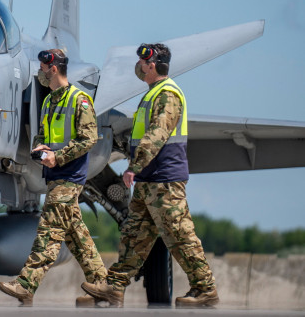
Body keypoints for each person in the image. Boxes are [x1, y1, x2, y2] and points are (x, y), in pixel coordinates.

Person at [81, 43, 219, 308]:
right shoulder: (153, 94)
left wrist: (134, 166)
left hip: (164, 180)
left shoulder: (168, 95)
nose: (139, 67)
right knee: (134, 235)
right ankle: (115, 287)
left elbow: (157, 135)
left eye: (142, 63)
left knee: (179, 234)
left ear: (151, 65)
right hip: (149, 181)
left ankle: (206, 289)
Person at [0, 49, 107, 307]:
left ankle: (25, 285)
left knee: (48, 233)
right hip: (54, 177)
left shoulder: (79, 100)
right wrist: (39, 148)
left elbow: (88, 138)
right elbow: (42, 136)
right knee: (76, 235)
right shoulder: (49, 101)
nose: (41, 73)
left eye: (44, 68)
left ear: (54, 69)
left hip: (69, 177)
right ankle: (105, 286)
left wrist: (58, 157)